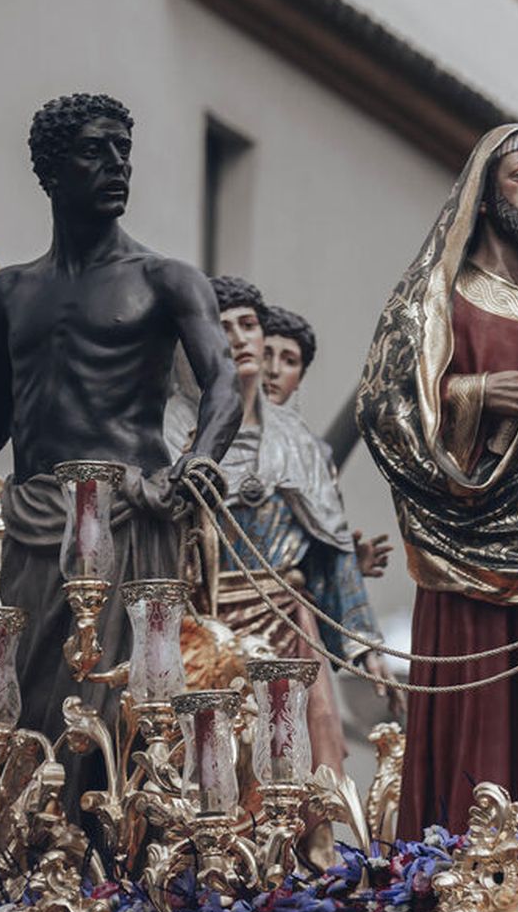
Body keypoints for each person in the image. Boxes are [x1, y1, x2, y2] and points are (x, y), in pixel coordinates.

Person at [0, 93, 241, 810]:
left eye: (124, 149)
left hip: (127, 515)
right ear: (52, 171)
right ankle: (31, 850)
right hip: (36, 523)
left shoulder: (165, 279)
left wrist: (200, 464)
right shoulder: (9, 293)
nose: (117, 165)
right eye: (96, 150)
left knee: (119, 701)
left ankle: (110, 863)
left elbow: (223, 385)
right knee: (25, 702)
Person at [359, 124, 518, 836]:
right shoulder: (439, 298)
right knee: (470, 708)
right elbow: (386, 406)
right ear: (484, 195)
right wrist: (476, 394)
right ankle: (453, 858)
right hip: (463, 542)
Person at [167, 276, 397, 774]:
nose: (240, 337)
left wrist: (362, 642)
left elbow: (330, 545)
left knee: (300, 764)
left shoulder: (299, 444)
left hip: (287, 627)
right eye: (222, 326)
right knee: (212, 767)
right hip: (205, 625)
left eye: (248, 324)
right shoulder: (171, 430)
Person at [264, 303, 391, 580]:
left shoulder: (313, 457)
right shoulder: (215, 438)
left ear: (299, 378)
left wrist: (345, 570)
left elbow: (309, 554)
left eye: (289, 360)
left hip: (288, 605)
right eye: (266, 354)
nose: (273, 370)